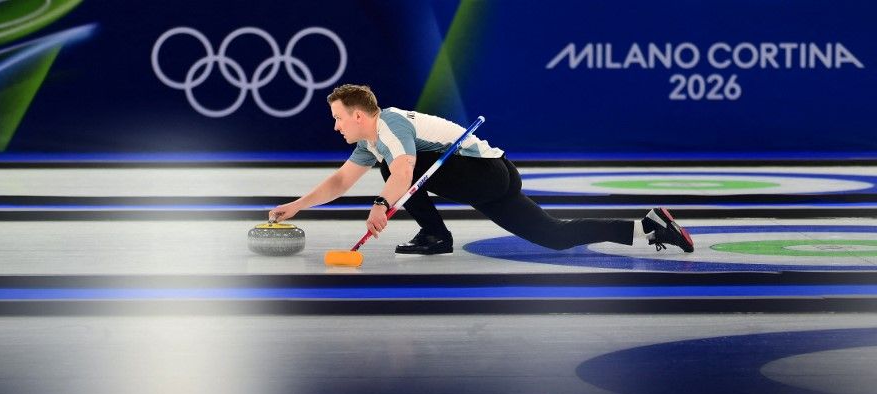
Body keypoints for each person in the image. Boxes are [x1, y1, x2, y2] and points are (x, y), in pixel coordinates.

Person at [268, 84, 693, 256]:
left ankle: (436, 234)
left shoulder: (390, 126)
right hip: (494, 176)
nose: (336, 125)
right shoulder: (372, 141)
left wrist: (383, 204)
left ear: (361, 115)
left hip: (483, 172)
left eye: (339, 118)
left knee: (394, 173)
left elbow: (403, 171)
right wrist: (298, 205)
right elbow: (341, 180)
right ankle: (648, 227)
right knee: (554, 235)